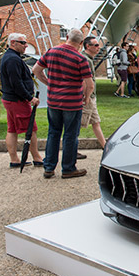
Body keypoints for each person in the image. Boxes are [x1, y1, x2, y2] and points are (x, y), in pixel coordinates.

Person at [32, 28, 93, 179]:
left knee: (53, 133)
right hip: (72, 102)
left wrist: (49, 83)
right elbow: (89, 84)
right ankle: (68, 168)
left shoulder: (51, 52)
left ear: (67, 37)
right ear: (80, 43)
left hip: (53, 101)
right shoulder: (80, 59)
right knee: (70, 135)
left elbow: (36, 70)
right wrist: (86, 98)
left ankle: (49, 167)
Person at [0, 33, 44, 168]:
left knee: (12, 129)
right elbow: (16, 82)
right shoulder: (12, 59)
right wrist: (29, 98)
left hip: (11, 98)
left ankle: (15, 159)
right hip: (17, 100)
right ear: (13, 43)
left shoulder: (11, 57)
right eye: (23, 43)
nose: (26, 46)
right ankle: (37, 157)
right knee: (30, 129)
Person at [81, 36, 106, 149]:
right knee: (78, 124)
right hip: (87, 97)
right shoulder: (85, 59)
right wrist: (86, 97)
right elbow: (85, 81)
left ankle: (105, 147)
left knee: (96, 122)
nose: (98, 48)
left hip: (91, 96)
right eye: (95, 45)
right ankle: (71, 151)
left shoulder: (88, 59)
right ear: (87, 46)